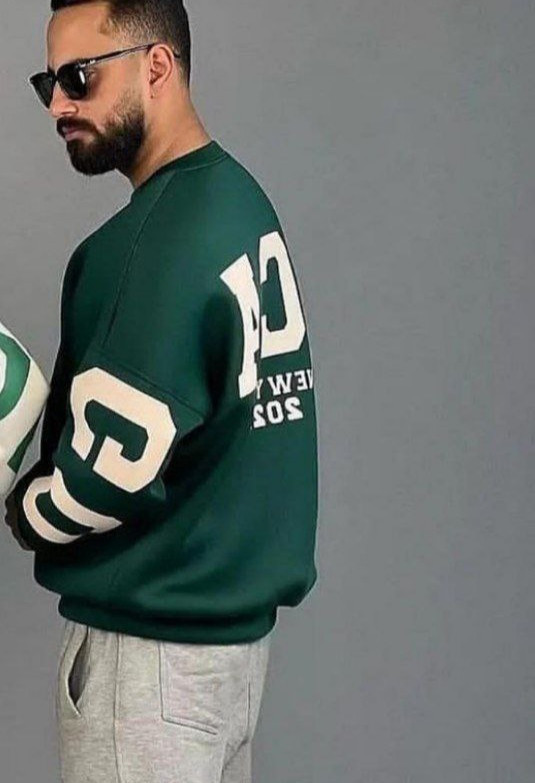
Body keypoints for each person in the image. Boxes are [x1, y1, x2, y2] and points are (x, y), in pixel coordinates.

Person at [4, 1, 319, 781]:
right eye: (48, 82)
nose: (57, 104)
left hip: (146, 672)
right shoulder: (239, 201)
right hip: (233, 659)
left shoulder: (146, 245)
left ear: (156, 66)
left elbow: (104, 478)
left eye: (79, 78)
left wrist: (22, 503)